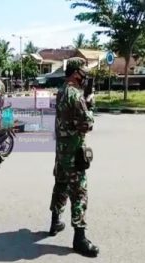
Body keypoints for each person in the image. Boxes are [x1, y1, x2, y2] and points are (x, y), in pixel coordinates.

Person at [48, 57, 99, 257]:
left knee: (60, 185)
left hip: (61, 151)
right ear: (76, 73)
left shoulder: (61, 92)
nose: (86, 75)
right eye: (84, 71)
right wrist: (91, 106)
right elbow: (87, 124)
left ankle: (55, 222)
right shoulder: (75, 95)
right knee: (79, 193)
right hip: (74, 152)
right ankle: (80, 238)